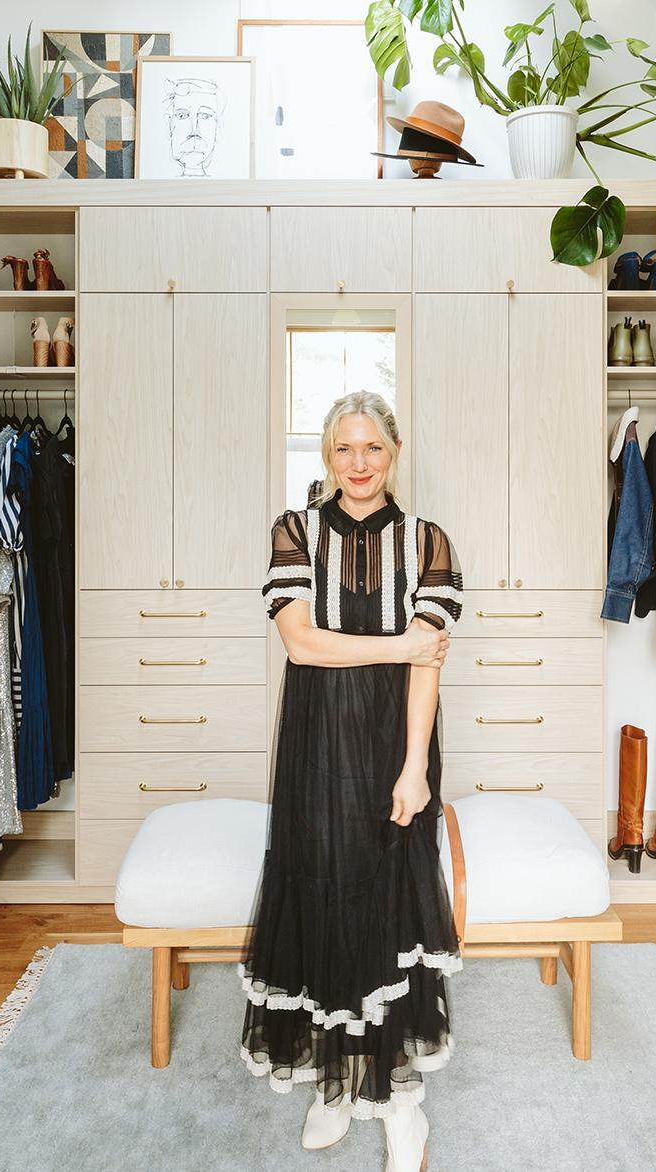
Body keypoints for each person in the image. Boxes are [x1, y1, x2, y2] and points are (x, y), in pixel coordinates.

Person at [240, 390, 463, 1171]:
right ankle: (335, 1082)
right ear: (327, 455)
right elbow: (300, 645)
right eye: (344, 449)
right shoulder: (293, 532)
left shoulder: (429, 541)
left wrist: (412, 768)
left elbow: (428, 673)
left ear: (393, 453)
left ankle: (402, 1104)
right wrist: (400, 646)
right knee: (324, 892)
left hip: (394, 743)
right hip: (315, 742)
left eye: (372, 448)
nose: (359, 464)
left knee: (390, 906)